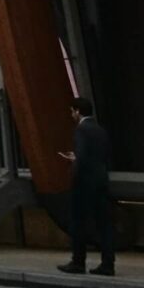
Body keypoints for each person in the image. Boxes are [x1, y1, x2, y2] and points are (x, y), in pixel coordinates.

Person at [57, 96, 115, 276]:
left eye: (72, 111)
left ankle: (78, 261)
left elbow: (82, 158)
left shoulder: (81, 130)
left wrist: (74, 162)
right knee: (104, 224)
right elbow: (102, 155)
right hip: (101, 180)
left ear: (77, 111)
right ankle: (108, 264)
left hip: (84, 184)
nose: (71, 115)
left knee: (78, 223)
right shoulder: (100, 130)